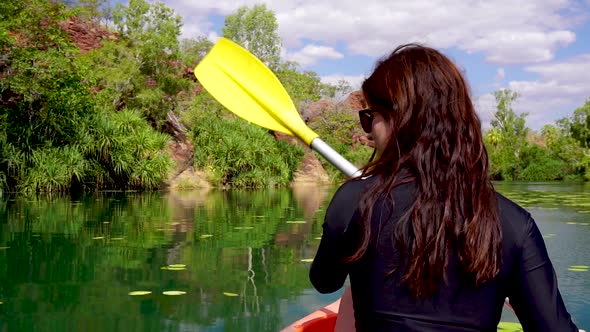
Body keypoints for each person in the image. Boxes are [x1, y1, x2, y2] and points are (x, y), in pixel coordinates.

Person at [309, 44, 581, 331]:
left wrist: (360, 258)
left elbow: (324, 281)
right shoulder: (513, 223)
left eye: (369, 118)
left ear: (398, 119)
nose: (369, 132)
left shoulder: (353, 200)